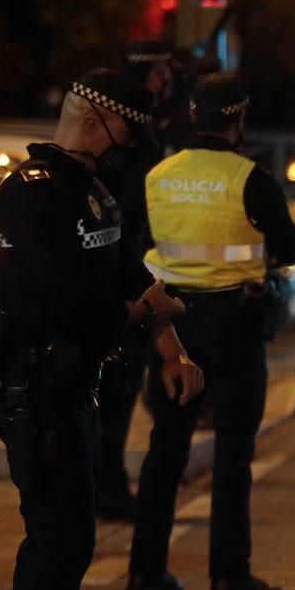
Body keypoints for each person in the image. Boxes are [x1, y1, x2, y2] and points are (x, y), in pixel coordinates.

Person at [0, 69, 206, 590]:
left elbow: (125, 268)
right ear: (95, 119)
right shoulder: (30, 197)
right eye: (130, 129)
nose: (133, 144)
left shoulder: (91, 191)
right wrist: (135, 317)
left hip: (72, 387)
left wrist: (170, 345)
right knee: (56, 543)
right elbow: (57, 304)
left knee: (67, 544)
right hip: (35, 390)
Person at [126, 73, 295, 590]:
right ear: (239, 121)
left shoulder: (159, 176)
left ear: (193, 117)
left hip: (171, 326)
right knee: (232, 453)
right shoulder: (252, 179)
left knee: (166, 448)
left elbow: (136, 248)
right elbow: (289, 251)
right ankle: (229, 577)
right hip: (234, 327)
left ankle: (145, 572)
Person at [93, 40, 179, 522]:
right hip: (124, 278)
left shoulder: (126, 131)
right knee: (117, 395)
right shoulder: (131, 139)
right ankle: (106, 489)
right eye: (163, 72)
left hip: (123, 272)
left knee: (113, 396)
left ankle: (103, 485)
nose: (168, 81)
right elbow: (130, 215)